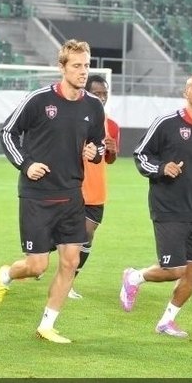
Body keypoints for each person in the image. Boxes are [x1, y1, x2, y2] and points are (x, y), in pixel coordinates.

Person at [0, 39, 106, 344]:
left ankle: (47, 325)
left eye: (86, 65)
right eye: (76, 65)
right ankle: (7, 275)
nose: (82, 71)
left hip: (72, 195)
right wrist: (26, 165)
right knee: (37, 266)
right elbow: (8, 133)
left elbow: (98, 145)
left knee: (71, 262)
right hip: (37, 196)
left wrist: (94, 152)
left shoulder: (93, 106)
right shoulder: (38, 100)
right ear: (62, 67)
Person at [120, 74, 192, 338]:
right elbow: (141, 155)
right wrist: (162, 168)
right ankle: (134, 277)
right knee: (174, 269)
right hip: (168, 207)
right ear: (186, 93)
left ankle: (167, 321)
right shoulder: (167, 124)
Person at [69, 74, 120, 300]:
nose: (101, 97)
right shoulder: (74, 116)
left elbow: (109, 160)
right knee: (67, 237)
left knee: (87, 236)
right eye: (96, 93)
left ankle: (69, 281)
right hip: (71, 185)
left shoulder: (112, 125)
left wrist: (112, 151)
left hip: (96, 189)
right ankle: (37, 259)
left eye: (104, 93)